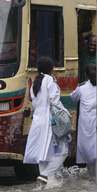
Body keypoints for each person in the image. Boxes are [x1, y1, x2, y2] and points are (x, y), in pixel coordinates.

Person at [23, 56, 71, 185]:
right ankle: (45, 175)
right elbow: (55, 101)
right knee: (63, 151)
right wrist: (66, 113)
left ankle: (44, 183)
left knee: (42, 152)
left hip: (37, 120)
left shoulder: (35, 82)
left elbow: (34, 102)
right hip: (51, 120)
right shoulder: (50, 80)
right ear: (51, 69)